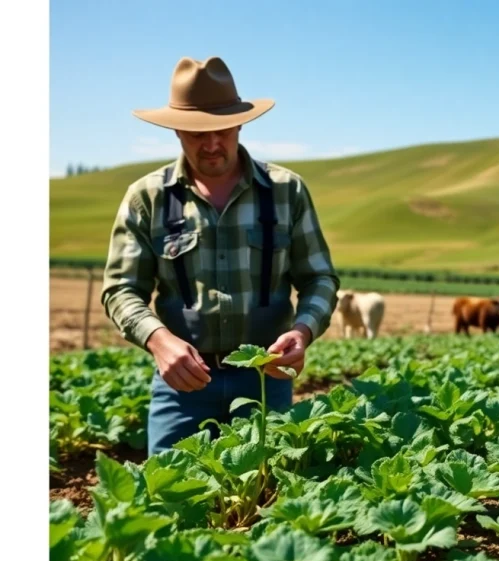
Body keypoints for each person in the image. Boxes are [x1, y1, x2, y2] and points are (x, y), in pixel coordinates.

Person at [101, 56, 340, 455]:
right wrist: (159, 340)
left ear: (240, 122)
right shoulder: (147, 197)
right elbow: (121, 289)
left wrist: (303, 331)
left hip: (266, 377)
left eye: (222, 130)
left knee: (268, 501)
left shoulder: (286, 191)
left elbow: (320, 278)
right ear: (176, 130)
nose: (212, 144)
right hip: (183, 382)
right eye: (197, 133)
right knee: (168, 499)